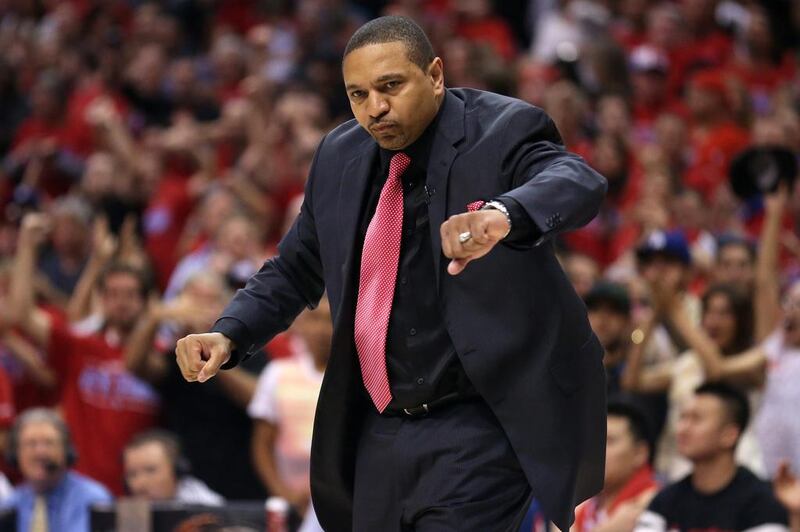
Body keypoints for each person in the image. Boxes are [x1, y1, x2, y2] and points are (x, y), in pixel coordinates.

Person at [176, 15, 607, 531]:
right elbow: (294, 267)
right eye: (357, 95)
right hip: (379, 427)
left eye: (390, 87)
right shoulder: (339, 155)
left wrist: (504, 214)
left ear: (436, 75)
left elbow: (575, 179)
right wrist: (228, 333)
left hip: (481, 420)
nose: (375, 108)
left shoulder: (502, 128)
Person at [634, 383, 788, 532]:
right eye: (682, 418)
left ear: (729, 435)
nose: (682, 429)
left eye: (696, 419)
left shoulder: (762, 502)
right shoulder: (665, 500)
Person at [249, 296, 331, 531]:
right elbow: (262, 445)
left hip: (341, 502)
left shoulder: (356, 379)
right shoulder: (277, 374)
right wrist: (283, 494)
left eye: (331, 320)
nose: (323, 330)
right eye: (315, 320)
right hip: (292, 505)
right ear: (300, 325)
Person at [2, 408, 111, 532]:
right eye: (31, 444)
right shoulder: (10, 505)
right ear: (15, 454)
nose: (40, 453)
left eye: (49, 443)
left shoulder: (92, 499)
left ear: (67, 451)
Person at [573, 401, 659, 532]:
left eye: (609, 441)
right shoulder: (580, 505)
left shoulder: (654, 505)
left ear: (639, 453)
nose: (596, 451)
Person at [122, 429, 224, 505]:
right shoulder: (126, 515)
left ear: (177, 471)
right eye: (132, 474)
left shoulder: (207, 506)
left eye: (150, 470)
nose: (140, 483)